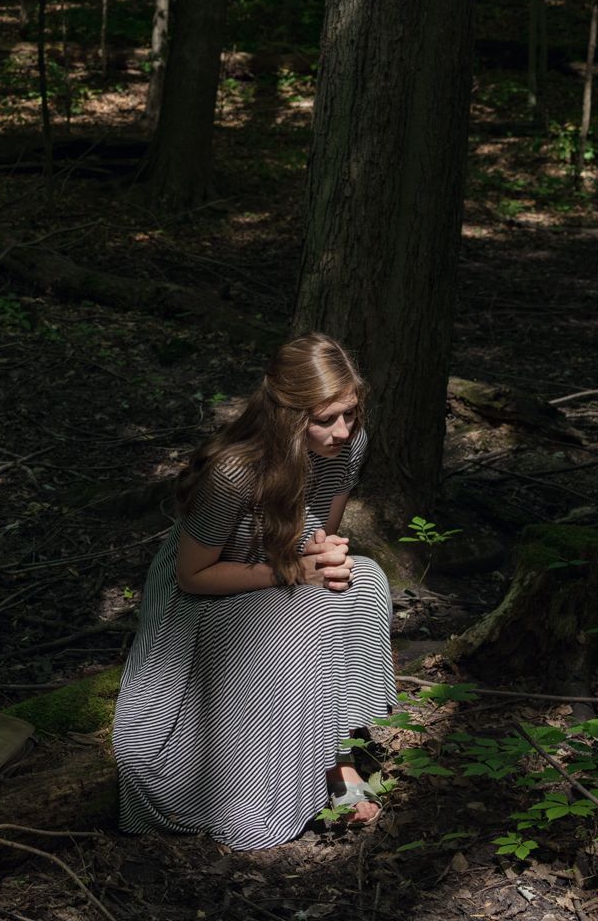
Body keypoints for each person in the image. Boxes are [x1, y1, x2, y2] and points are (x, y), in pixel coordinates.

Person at [111, 333, 396, 850]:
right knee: (306, 609)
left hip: (281, 570)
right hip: (202, 598)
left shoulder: (347, 447)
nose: (342, 431)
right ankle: (271, 785)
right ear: (288, 414)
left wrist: (323, 558)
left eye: (349, 414)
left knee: (366, 580)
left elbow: (316, 532)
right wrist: (296, 575)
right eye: (325, 418)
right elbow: (192, 576)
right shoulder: (233, 472)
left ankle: (338, 757)